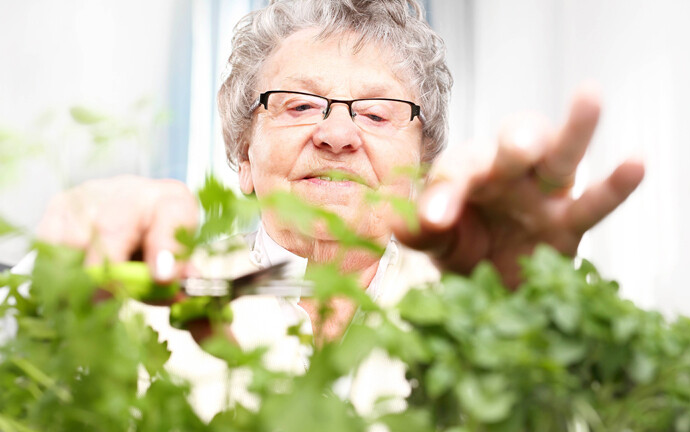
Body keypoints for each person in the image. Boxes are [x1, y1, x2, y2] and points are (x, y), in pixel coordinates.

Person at [33, 0, 644, 420]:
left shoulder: (482, 302)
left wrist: (529, 311)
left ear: (424, 172)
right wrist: (67, 301)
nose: (337, 134)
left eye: (377, 114)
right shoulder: (158, 293)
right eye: (298, 106)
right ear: (243, 158)